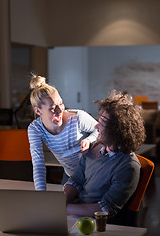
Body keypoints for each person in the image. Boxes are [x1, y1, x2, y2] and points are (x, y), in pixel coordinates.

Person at [63, 90, 146, 219]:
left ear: (118, 130)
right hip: (75, 212)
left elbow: (106, 208)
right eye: (99, 120)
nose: (96, 126)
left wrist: (67, 209)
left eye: (102, 123)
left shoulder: (129, 166)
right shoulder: (96, 146)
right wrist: (61, 202)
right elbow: (76, 180)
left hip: (97, 222)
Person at [27, 74, 98, 190]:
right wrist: (40, 195)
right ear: (38, 111)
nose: (60, 110)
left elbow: (102, 131)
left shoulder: (78, 118)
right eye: (52, 108)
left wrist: (89, 140)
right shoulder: (35, 129)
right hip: (72, 175)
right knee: (61, 204)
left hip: (95, 172)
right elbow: (38, 165)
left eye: (61, 103)